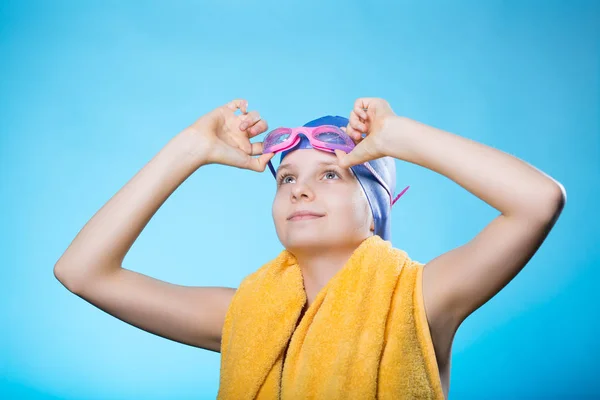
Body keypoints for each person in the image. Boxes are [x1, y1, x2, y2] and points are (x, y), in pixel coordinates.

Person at [54, 98, 566, 399]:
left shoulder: (421, 298)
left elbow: (538, 201)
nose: (299, 189)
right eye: (287, 178)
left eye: (329, 174)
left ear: (377, 204)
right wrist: (189, 149)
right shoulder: (244, 315)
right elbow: (82, 271)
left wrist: (399, 135)